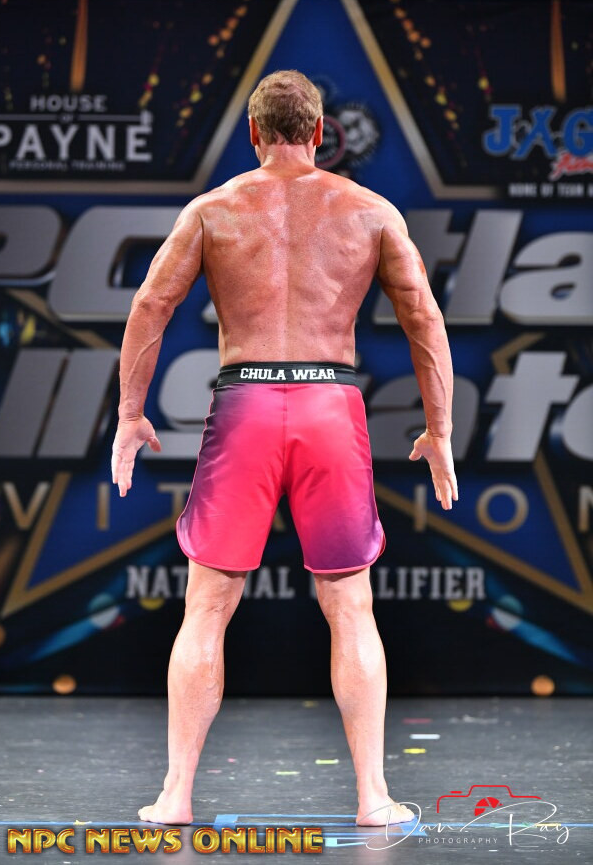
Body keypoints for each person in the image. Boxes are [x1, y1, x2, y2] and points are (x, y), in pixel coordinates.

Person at [111, 70, 458, 828]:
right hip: (330, 405)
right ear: (321, 132)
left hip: (245, 406)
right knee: (350, 606)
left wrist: (131, 414)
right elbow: (425, 320)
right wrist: (440, 431)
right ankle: (373, 798)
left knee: (207, 606)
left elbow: (150, 305)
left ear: (254, 133)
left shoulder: (213, 210)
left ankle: (175, 796)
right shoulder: (369, 210)